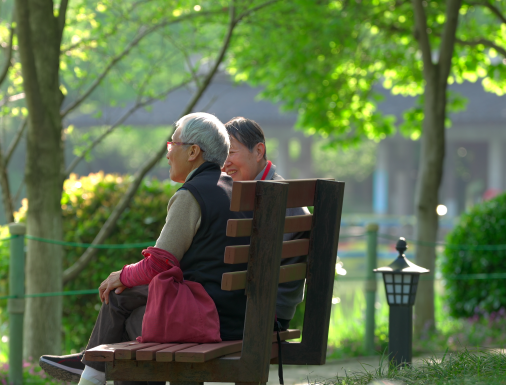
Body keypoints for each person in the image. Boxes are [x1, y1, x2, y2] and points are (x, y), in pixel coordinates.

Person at [40, 112, 252, 385]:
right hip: (239, 316)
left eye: (172, 144)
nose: (167, 153)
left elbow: (159, 264)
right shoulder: (237, 191)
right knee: (135, 316)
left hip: (206, 317)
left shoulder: (192, 195)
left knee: (122, 298)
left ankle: (89, 373)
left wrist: (122, 275)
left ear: (193, 152)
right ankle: (90, 367)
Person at [222, 117, 310, 331]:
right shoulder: (282, 194)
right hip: (277, 312)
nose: (224, 164)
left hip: (258, 313)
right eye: (222, 155)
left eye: (231, 153)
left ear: (259, 151)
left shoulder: (271, 200)